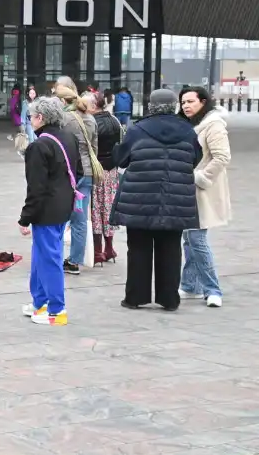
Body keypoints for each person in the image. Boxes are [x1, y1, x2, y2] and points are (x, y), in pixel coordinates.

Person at [111, 89, 201, 312]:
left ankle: (135, 297)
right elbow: (194, 159)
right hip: (175, 198)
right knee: (170, 249)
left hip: (139, 198)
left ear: (150, 106)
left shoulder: (137, 130)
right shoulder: (188, 131)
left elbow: (122, 160)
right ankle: (169, 299)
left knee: (138, 248)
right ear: (174, 106)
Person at [18, 97, 78, 326]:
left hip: (47, 209)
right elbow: (77, 171)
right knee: (40, 256)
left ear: (40, 118)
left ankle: (56, 310)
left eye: (31, 116)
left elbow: (36, 187)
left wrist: (25, 217)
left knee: (49, 258)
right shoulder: (68, 137)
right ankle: (40, 301)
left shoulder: (39, 146)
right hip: (64, 205)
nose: (30, 120)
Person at [178, 86, 232, 308]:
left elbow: (222, 157)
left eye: (190, 101)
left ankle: (212, 289)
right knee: (189, 238)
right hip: (189, 189)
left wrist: (200, 177)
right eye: (183, 103)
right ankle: (190, 285)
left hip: (203, 189)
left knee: (196, 239)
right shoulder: (190, 125)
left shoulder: (214, 124)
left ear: (203, 101)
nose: (186, 106)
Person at [53, 77, 97, 274]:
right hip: (87, 174)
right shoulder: (90, 118)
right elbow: (94, 148)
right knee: (79, 218)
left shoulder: (65, 120)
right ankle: (75, 261)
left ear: (63, 101)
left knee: (59, 215)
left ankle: (54, 255)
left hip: (70, 173)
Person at [89, 91, 123, 265]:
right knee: (108, 208)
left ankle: (97, 251)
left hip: (97, 171)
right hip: (112, 170)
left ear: (94, 106)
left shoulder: (92, 122)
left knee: (95, 209)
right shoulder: (115, 121)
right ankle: (109, 248)